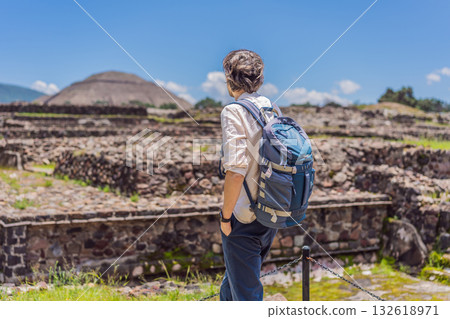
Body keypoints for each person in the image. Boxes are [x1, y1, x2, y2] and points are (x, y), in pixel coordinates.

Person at [219, 49, 278, 301]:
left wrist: (225, 218)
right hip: (270, 212)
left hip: (244, 217)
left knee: (246, 296)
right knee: (233, 285)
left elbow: (235, 172)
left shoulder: (233, 111)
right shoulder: (273, 109)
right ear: (260, 80)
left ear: (229, 81)